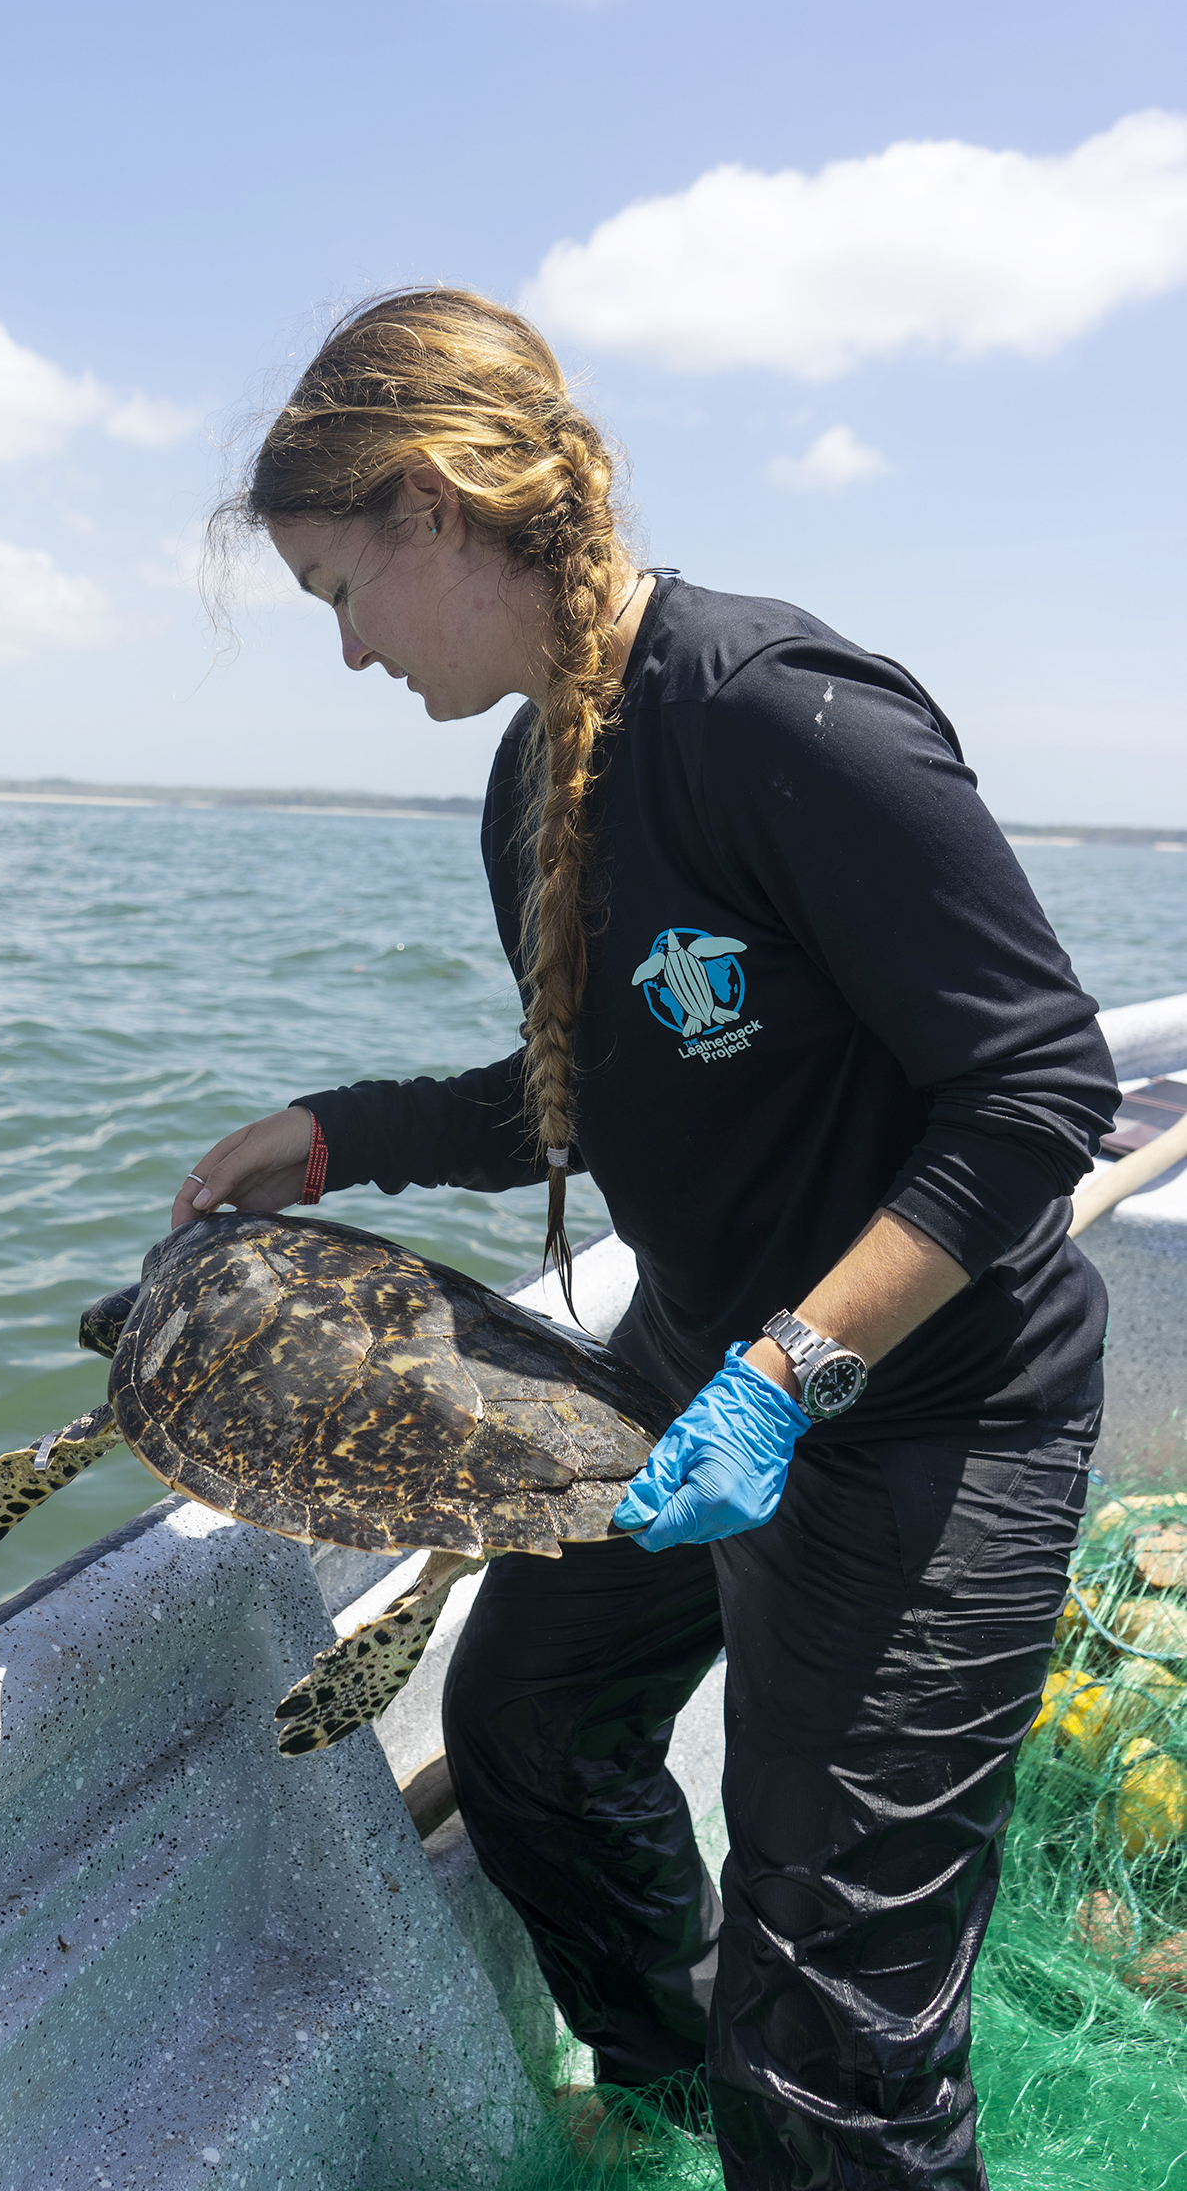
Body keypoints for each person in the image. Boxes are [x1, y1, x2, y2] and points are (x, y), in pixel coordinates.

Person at [174, 289, 1118, 2188]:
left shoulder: (777, 710)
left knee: (840, 2028)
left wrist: (792, 1376)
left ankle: (799, 2112)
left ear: (439, 505)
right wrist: (340, 1133)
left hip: (931, 1406)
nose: (349, 653)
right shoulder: (540, 773)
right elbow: (591, 1089)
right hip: (703, 1367)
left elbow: (1040, 1090)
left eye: (339, 593)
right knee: (525, 1727)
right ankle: (699, 2102)